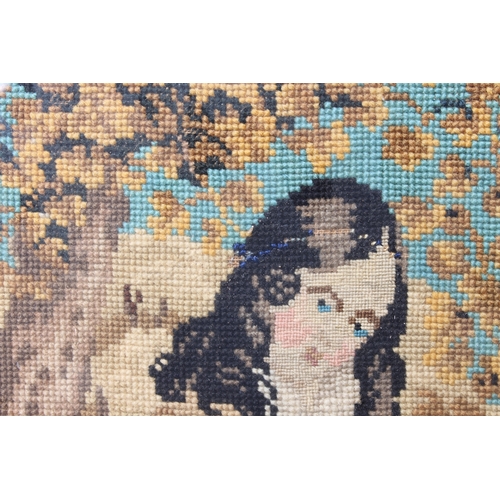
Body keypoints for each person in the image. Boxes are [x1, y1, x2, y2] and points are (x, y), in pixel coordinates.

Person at [150, 178, 407, 415]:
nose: (334, 337)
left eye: (361, 326)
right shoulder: (212, 394)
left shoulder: (366, 395)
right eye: (323, 306)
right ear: (262, 296)